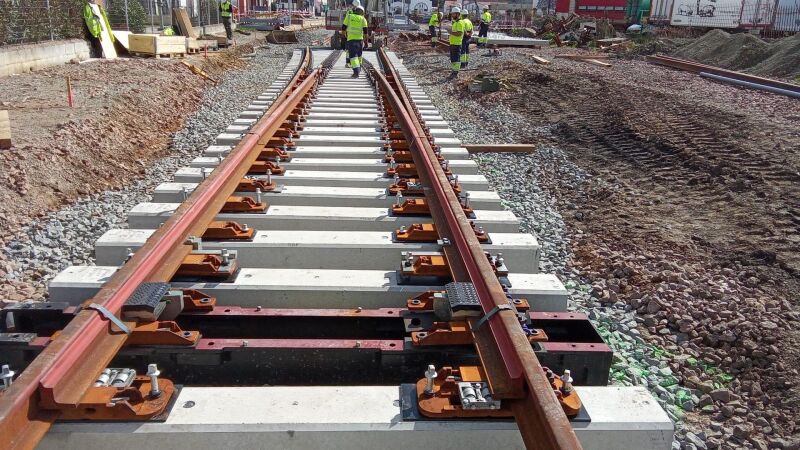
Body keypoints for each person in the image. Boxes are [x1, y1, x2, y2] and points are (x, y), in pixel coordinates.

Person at [342, 5, 369, 77]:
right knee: (359, 56)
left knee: (353, 57)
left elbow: (343, 27)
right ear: (362, 12)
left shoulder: (349, 16)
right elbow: (366, 33)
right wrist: (366, 42)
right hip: (360, 41)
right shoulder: (363, 19)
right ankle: (359, 69)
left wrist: (344, 36)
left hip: (351, 40)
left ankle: (356, 72)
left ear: (355, 10)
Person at [447, 6, 464, 80]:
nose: (452, 15)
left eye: (453, 14)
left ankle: (455, 73)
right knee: (453, 58)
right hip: (453, 43)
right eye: (452, 14)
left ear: (457, 14)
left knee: (456, 59)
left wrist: (450, 32)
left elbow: (459, 33)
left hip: (457, 44)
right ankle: (453, 71)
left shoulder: (460, 23)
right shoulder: (455, 23)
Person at [343, 0, 361, 68]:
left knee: (349, 50)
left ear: (353, 5)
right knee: (357, 50)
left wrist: (344, 32)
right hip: (358, 35)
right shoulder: (360, 12)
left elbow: (345, 23)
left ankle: (348, 63)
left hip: (350, 34)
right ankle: (356, 64)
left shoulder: (349, 12)